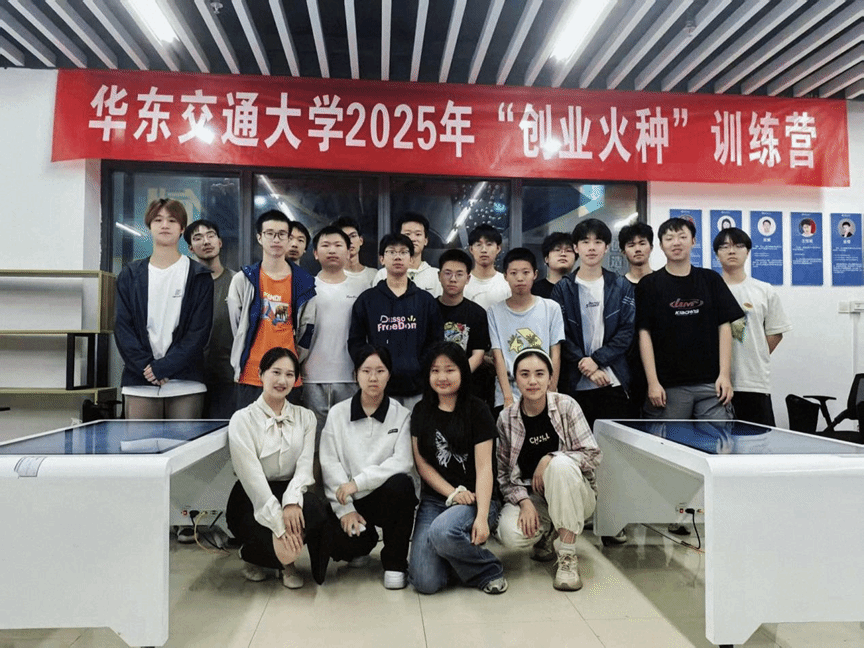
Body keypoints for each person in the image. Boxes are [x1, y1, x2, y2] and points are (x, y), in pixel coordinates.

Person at [226, 347, 332, 588]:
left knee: (313, 509)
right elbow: (252, 478)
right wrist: (279, 525)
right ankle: (254, 555)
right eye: (276, 372)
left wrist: (291, 502)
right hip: (252, 497)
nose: (282, 380)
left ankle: (286, 562)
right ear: (261, 374)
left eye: (289, 374)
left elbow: (304, 468)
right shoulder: (242, 419)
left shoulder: (306, 417)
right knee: (281, 540)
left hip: (289, 490)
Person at [496, 349, 601, 591]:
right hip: (534, 497)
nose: (532, 381)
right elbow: (504, 476)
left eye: (539, 374)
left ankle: (567, 557)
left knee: (560, 465)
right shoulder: (506, 418)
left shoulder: (566, 406)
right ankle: (548, 532)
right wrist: (524, 503)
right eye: (524, 374)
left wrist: (550, 457)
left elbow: (593, 454)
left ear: (550, 377)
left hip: (578, 495)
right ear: (515, 379)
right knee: (510, 534)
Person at [408, 342, 507, 595]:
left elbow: (485, 469)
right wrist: (452, 493)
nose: (442, 377)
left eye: (450, 370)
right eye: (435, 370)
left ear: (463, 371)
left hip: (476, 499)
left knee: (443, 532)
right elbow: (422, 464)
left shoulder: (478, 409)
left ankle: (488, 569)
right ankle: (455, 557)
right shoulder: (420, 410)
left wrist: (482, 517)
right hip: (436, 500)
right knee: (425, 582)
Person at [320, 345, 417, 590]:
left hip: (382, 497)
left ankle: (395, 564)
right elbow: (329, 463)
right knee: (336, 542)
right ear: (356, 375)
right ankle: (361, 545)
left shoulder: (401, 415)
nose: (373, 378)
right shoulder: (338, 414)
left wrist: (358, 482)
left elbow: (403, 461)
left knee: (402, 485)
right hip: (349, 500)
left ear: (389, 375)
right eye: (366, 371)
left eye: (380, 371)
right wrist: (345, 510)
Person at [636, 217, 744, 420]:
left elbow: (725, 327)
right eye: (669, 238)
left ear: (693, 241)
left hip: (711, 385)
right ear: (661, 245)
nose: (676, 243)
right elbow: (644, 334)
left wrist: (725, 375)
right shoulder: (649, 285)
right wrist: (653, 382)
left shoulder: (710, 280)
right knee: (670, 440)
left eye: (682, 237)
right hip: (668, 387)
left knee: (716, 438)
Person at [115, 198, 213, 420]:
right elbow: (122, 327)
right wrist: (147, 367)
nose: (165, 225)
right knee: (140, 443)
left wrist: (165, 367)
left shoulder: (198, 276)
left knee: (185, 443)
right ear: (149, 226)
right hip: (140, 380)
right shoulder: (130, 275)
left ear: (182, 228)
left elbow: (199, 332)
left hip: (185, 381)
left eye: (172, 220)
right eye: (158, 220)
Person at [228, 210, 316, 410]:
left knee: (289, 430)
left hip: (288, 378)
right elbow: (237, 326)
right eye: (270, 233)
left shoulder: (304, 283)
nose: (276, 239)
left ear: (288, 239)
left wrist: (292, 363)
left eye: (282, 234)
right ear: (259, 237)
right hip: (251, 375)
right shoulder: (243, 280)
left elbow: (306, 332)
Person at [551, 218, 634, 428]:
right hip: (574, 384)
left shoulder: (620, 285)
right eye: (585, 242)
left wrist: (596, 360)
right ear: (576, 248)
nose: (591, 248)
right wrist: (587, 366)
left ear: (606, 247)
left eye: (598, 242)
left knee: (613, 444)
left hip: (613, 381)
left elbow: (627, 331)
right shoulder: (563, 288)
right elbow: (560, 334)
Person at [348, 233, 443, 410]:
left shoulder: (425, 301)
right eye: (391, 252)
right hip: (378, 389)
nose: (397, 257)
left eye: (403, 252)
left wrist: (420, 367)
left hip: (418, 389)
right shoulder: (367, 300)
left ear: (411, 259)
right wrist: (371, 370)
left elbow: (436, 343)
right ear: (382, 259)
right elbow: (356, 342)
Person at [713, 228, 791, 425]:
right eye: (725, 246)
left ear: (747, 252)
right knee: (717, 440)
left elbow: (775, 333)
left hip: (753, 381)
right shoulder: (708, 289)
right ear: (717, 254)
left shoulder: (764, 290)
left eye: (738, 246)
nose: (732, 251)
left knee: (759, 440)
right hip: (713, 382)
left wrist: (755, 353)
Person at [300, 226, 363, 449]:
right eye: (325, 245)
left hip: (351, 377)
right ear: (315, 253)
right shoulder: (305, 287)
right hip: (311, 377)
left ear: (348, 251)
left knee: (348, 443)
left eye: (338, 245)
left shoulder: (362, 288)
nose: (332, 250)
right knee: (314, 444)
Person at [488, 248, 565, 412]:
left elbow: (556, 354)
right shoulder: (494, 312)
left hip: (542, 388)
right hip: (508, 390)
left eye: (525, 272)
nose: (520, 278)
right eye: (513, 273)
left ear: (535, 274)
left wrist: (550, 393)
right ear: (505, 276)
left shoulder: (551, 308)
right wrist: (508, 398)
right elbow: (498, 356)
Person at [184, 218, 236, 420]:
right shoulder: (184, 284)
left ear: (220, 242)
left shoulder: (237, 282)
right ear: (190, 248)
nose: (206, 241)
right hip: (190, 378)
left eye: (210, 235)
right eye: (198, 238)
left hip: (228, 377)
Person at [618, 222, 654, 418]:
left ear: (651, 247)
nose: (637, 249)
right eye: (631, 245)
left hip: (659, 366)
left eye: (642, 243)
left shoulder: (662, 283)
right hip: (625, 366)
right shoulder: (617, 287)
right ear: (623, 251)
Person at [373, 212, 441, 296]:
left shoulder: (436, 275)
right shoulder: (383, 274)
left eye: (418, 234)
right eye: (407, 234)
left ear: (426, 240)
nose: (413, 239)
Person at [463, 223, 511, 308]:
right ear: (471, 249)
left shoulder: (507, 284)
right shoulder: (462, 282)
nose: (484, 250)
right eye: (478, 245)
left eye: (489, 244)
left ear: (498, 248)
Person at [333, 215, 377, 288]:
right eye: (344, 237)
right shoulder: (331, 276)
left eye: (353, 236)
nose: (350, 241)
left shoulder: (374, 275)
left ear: (361, 240)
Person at [532, 232, 576, 299]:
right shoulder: (534, 291)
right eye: (557, 250)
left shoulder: (582, 289)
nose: (563, 254)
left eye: (568, 250)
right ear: (546, 259)